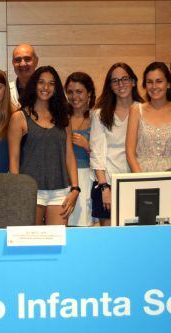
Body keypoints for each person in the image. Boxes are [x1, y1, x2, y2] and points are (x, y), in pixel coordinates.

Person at [8, 66, 79, 226]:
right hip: (31, 190)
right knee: (30, 243)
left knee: (56, 244)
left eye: (51, 83)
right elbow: (13, 159)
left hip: (60, 190)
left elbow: (69, 153)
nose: (46, 87)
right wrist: (20, 190)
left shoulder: (63, 117)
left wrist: (75, 188)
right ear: (34, 84)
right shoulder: (19, 117)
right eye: (41, 82)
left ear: (56, 88)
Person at [90, 62, 143, 226]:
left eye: (125, 79)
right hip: (108, 183)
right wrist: (105, 187)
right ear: (110, 86)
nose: (121, 84)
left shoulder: (144, 110)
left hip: (138, 181)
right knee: (109, 240)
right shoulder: (100, 114)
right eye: (115, 81)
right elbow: (97, 152)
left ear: (133, 81)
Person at [126, 62, 171, 173]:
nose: (154, 86)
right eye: (149, 82)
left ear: (168, 84)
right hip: (142, 174)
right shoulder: (136, 110)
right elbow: (130, 153)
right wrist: (142, 179)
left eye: (159, 81)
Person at [64, 72, 96, 227]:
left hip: (87, 179)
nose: (74, 96)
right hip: (63, 179)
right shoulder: (61, 118)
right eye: (70, 92)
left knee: (84, 229)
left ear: (89, 93)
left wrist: (88, 147)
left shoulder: (97, 118)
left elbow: (107, 156)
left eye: (79, 91)